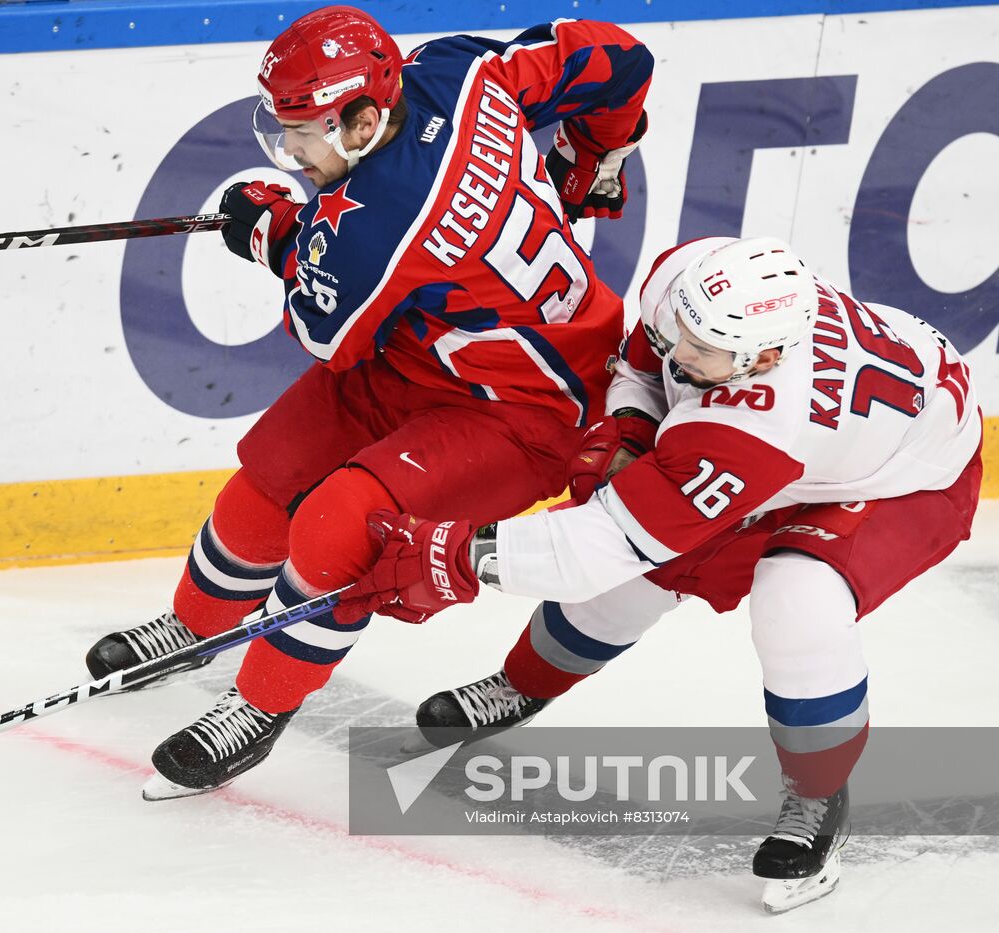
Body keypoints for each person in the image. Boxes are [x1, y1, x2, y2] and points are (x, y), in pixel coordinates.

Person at [84, 5, 654, 800]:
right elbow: (619, 57)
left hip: (527, 411)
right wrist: (598, 153)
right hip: (428, 355)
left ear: (361, 117)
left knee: (340, 520)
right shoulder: (460, 70)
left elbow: (328, 333)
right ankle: (196, 626)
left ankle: (256, 707)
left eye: (304, 131)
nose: (290, 151)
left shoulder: (371, 234)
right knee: (272, 472)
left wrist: (272, 232)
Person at [340, 234, 983, 912]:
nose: (679, 352)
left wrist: (457, 556)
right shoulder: (692, 278)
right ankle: (523, 684)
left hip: (905, 476)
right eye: (684, 330)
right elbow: (644, 367)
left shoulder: (760, 428)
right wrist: (631, 425)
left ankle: (819, 795)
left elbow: (596, 547)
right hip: (827, 437)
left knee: (798, 600)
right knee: (639, 576)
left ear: (761, 358)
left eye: (700, 352)